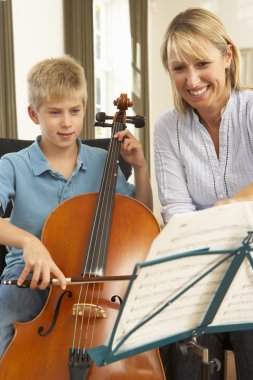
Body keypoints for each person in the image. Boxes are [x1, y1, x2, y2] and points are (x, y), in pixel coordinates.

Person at [0, 55, 153, 358]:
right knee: (10, 305)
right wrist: (30, 241)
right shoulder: (13, 164)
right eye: (54, 112)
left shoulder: (102, 161)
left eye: (74, 110)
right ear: (34, 114)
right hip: (30, 277)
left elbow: (140, 217)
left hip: (93, 276)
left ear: (85, 107)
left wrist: (141, 168)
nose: (66, 122)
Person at [154, 7, 253, 380]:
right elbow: (177, 214)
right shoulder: (167, 129)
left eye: (201, 63)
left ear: (228, 56)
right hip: (201, 268)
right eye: (179, 68)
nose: (192, 79)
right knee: (183, 346)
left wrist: (225, 208)